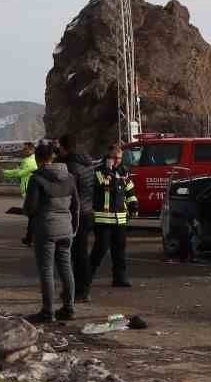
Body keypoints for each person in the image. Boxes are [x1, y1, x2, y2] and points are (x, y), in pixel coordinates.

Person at [23, 142, 79, 322]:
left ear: (39, 159)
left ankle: (48, 312)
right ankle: (69, 308)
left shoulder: (37, 178)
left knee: (46, 270)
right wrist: (74, 228)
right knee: (66, 268)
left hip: (46, 229)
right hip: (66, 228)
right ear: (52, 157)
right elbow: (76, 206)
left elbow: (30, 208)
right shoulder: (69, 177)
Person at [56, 134, 96, 301]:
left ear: (64, 147)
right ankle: (81, 289)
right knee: (81, 254)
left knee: (73, 256)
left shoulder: (69, 166)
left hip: (75, 214)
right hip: (87, 212)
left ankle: (79, 291)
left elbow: (65, 192)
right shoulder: (87, 164)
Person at [93, 143, 139, 287]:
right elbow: (106, 186)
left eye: (119, 158)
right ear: (108, 157)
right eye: (114, 158)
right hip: (103, 219)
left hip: (120, 218)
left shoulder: (124, 172)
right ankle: (85, 278)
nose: (117, 160)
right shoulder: (100, 171)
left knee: (119, 251)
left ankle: (120, 278)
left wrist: (133, 205)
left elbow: (129, 191)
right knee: (99, 251)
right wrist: (108, 169)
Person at [3, 141, 38, 244]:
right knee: (32, 216)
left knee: (32, 216)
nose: (24, 151)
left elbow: (20, 173)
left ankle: (29, 237)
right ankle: (30, 237)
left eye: (26, 149)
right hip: (29, 189)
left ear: (32, 150)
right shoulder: (31, 160)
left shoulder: (28, 161)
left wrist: (6, 172)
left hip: (29, 190)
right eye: (23, 149)